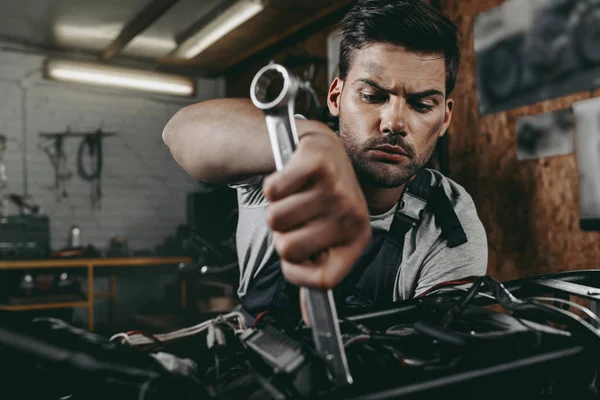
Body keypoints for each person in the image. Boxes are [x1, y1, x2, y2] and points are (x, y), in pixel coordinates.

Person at [163, 0, 487, 323]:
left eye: (422, 104)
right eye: (372, 96)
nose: (394, 123)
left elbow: (442, 350)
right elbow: (179, 130)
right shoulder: (283, 157)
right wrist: (308, 139)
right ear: (335, 97)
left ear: (444, 119)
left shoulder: (449, 220)